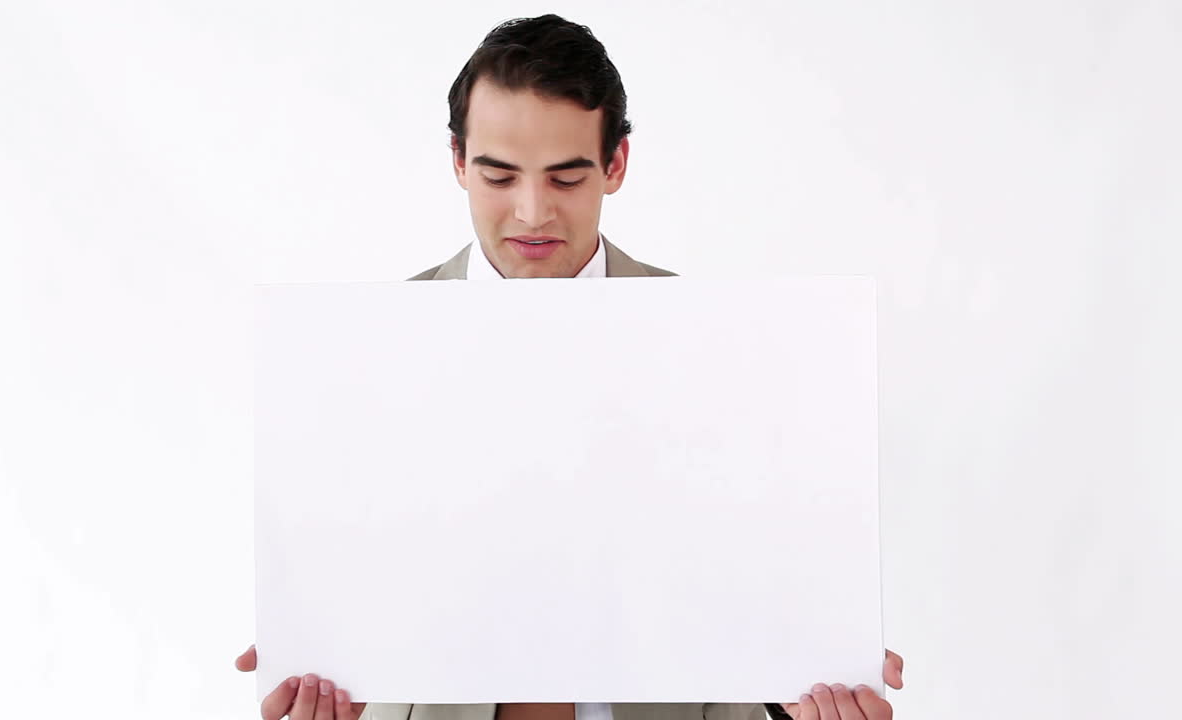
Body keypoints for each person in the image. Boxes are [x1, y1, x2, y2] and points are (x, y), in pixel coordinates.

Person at [235, 14, 906, 720]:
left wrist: (812, 672)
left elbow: (761, 592)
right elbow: (347, 595)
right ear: (458, 162)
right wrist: (309, 650)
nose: (532, 212)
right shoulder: (355, 357)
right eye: (499, 175)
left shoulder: (719, 347)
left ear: (615, 164)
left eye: (565, 176)